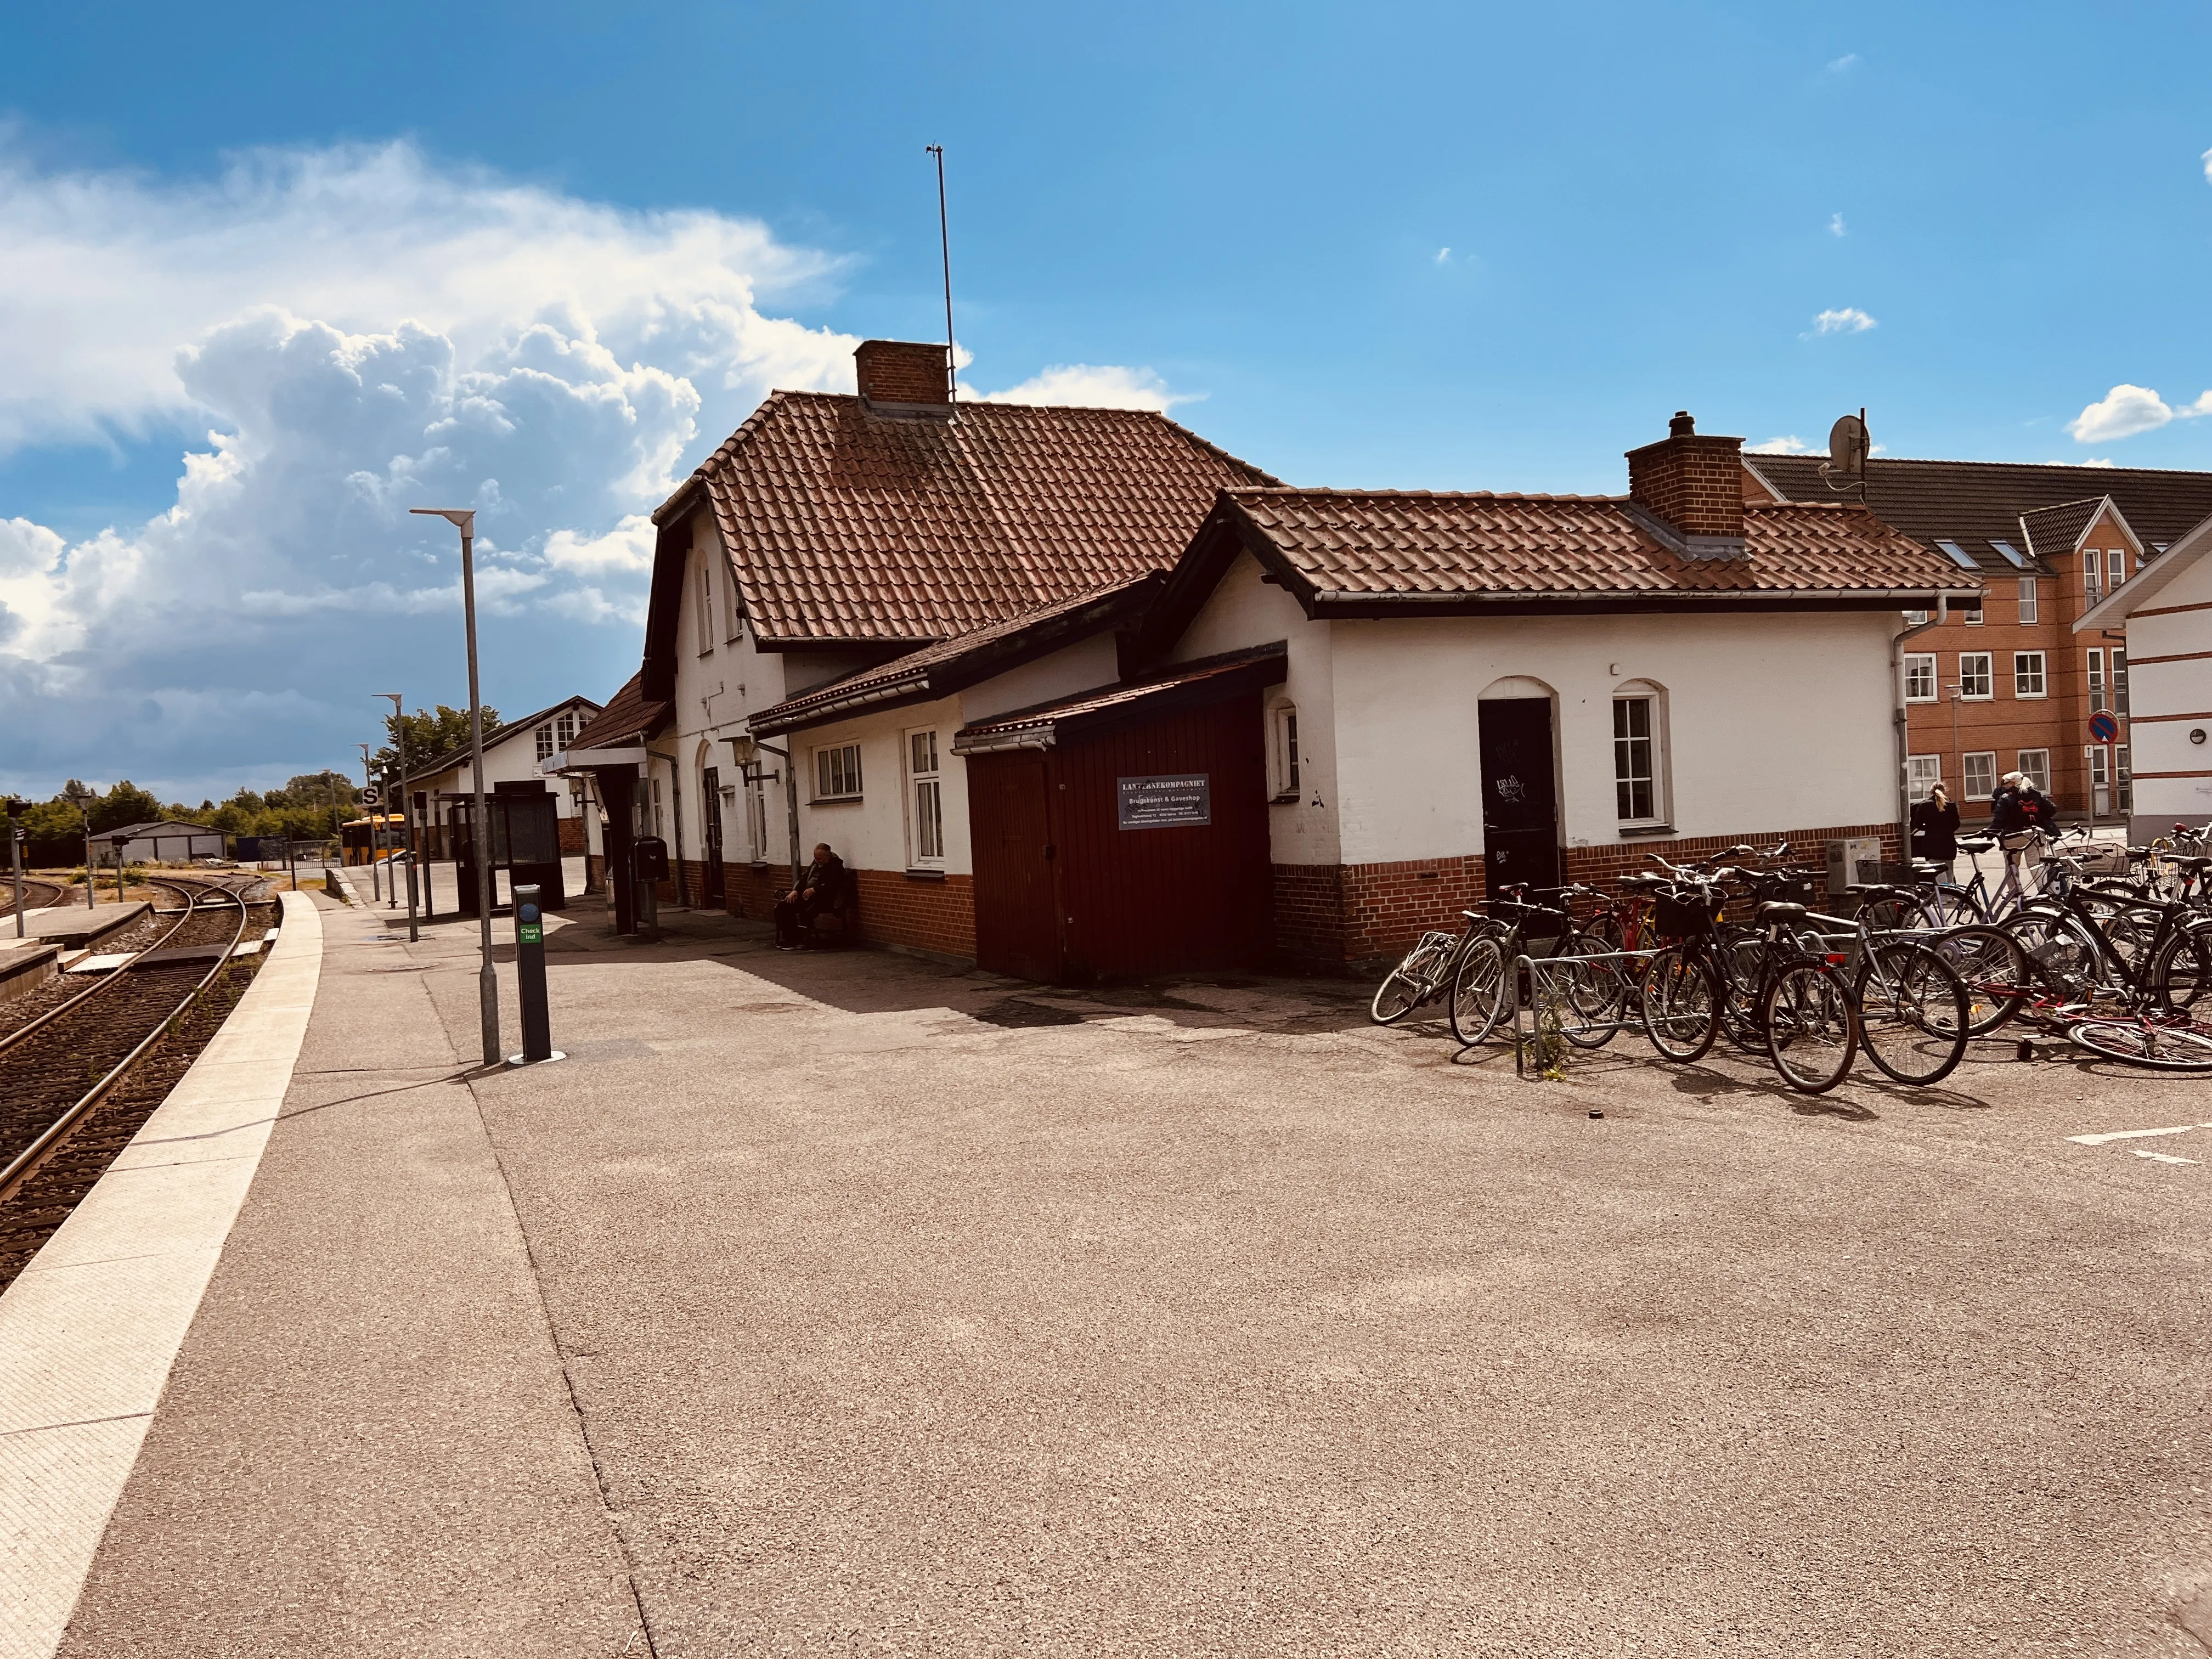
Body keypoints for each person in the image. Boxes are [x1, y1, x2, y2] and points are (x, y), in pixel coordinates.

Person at [775, 842, 845, 950]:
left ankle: (799, 940)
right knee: (783, 906)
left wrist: (814, 890)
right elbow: (804, 878)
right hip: (809, 897)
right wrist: (795, 891)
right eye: (816, 858)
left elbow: (832, 886)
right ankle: (791, 938)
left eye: (820, 858)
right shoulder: (815, 864)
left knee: (805, 911)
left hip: (824, 899)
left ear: (828, 856)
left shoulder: (835, 867)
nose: (817, 860)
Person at [1909, 783, 1960, 865]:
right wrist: (1948, 830)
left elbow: (1918, 824)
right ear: (1944, 791)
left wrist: (1928, 828)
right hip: (1948, 844)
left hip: (1931, 844)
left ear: (1931, 792)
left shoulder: (1924, 805)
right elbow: (1957, 824)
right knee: (1949, 873)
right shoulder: (1951, 805)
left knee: (1935, 872)